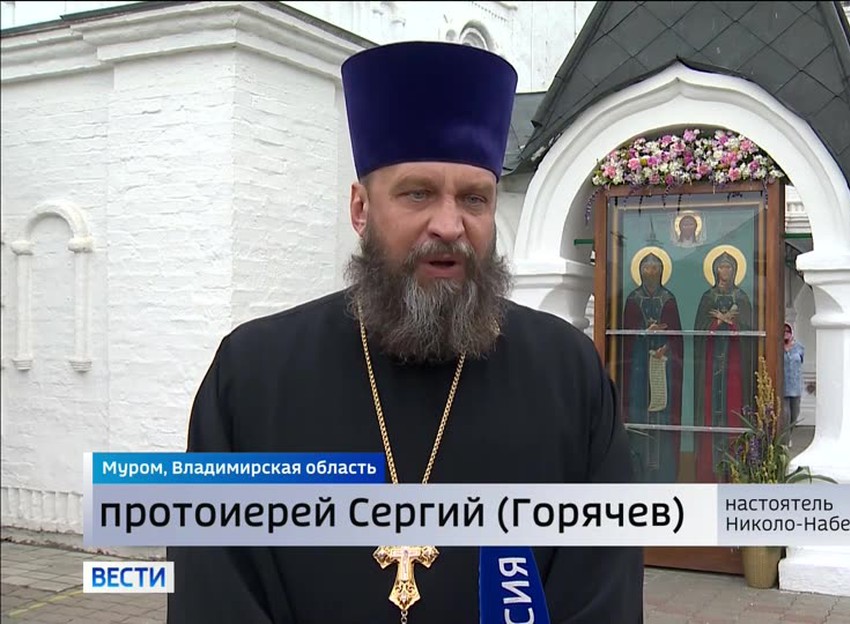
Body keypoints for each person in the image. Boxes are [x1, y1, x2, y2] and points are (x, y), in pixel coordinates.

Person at [166, 41, 644, 624]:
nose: (449, 225)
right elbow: (213, 590)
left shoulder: (568, 373)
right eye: (418, 193)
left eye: (474, 199)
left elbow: (602, 588)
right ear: (360, 209)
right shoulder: (251, 375)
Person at [621, 249, 683, 483]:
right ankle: (638, 470)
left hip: (663, 368)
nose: (651, 272)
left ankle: (664, 471)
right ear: (640, 271)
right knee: (640, 412)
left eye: (655, 268)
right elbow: (625, 339)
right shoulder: (633, 300)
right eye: (646, 268)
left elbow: (677, 338)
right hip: (638, 369)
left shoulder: (669, 299)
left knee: (661, 417)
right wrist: (643, 333)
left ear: (662, 271)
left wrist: (666, 348)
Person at [692, 249, 753, 483]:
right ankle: (709, 472)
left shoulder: (742, 297)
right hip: (711, 366)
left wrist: (733, 324)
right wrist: (716, 322)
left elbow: (749, 329)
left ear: (735, 270)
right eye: (721, 267)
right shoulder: (707, 297)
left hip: (734, 366)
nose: (724, 271)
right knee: (711, 410)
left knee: (733, 410)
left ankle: (735, 472)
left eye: (728, 267)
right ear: (714, 270)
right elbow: (699, 329)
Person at [782, 323, 805, 446]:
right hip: (783, 387)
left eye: (788, 331)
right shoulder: (777, 347)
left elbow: (801, 361)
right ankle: (785, 441)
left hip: (795, 387)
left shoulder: (799, 347)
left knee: (794, 414)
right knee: (785, 415)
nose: (786, 333)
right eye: (783, 331)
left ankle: (789, 435)